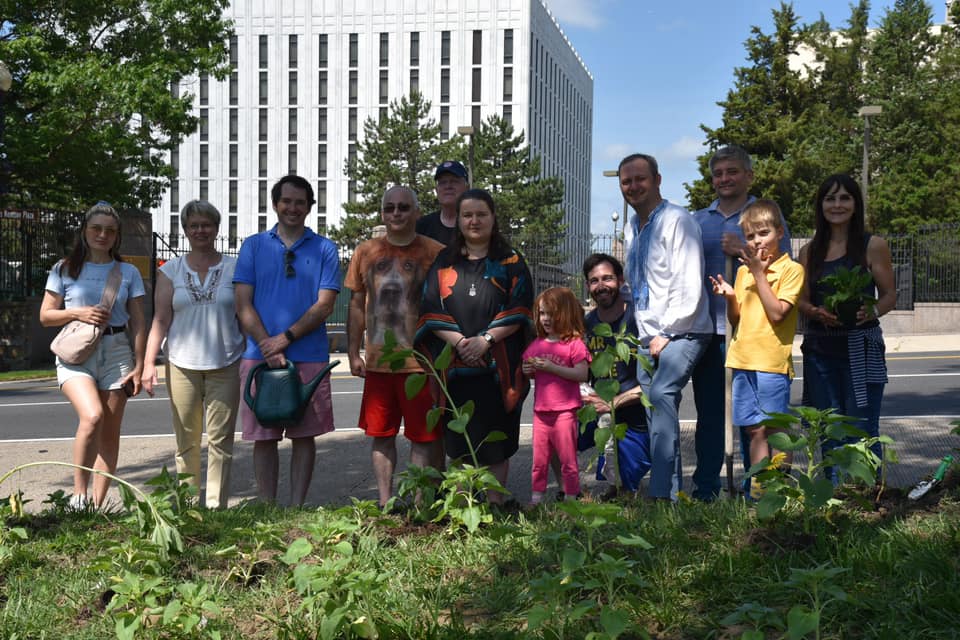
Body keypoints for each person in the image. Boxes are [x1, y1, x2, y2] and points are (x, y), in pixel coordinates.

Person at [416, 188, 533, 504]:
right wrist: (460, 343)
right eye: (467, 214)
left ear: (493, 218)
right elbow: (429, 307)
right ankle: (462, 508)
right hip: (453, 367)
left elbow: (521, 308)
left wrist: (486, 341)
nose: (474, 220)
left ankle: (495, 506)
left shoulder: (511, 260)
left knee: (496, 441)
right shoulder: (443, 261)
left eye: (481, 214)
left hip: (498, 368)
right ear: (459, 220)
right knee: (458, 441)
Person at [692, 144, 793, 500]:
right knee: (712, 418)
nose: (724, 179)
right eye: (718, 173)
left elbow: (784, 264)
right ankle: (706, 489)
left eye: (732, 172)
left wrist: (742, 250)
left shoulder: (764, 215)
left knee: (761, 424)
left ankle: (762, 491)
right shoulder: (698, 220)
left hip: (757, 338)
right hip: (711, 331)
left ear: (748, 175)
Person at [234, 175, 341, 506]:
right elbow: (242, 303)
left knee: (304, 435)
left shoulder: (325, 248)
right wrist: (267, 343)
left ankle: (295, 506)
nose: (293, 208)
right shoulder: (253, 246)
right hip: (258, 356)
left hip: (308, 355)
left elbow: (324, 305)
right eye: (287, 201)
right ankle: (267, 508)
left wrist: (285, 339)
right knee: (263, 437)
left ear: (310, 207)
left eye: (300, 202)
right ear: (275, 204)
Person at [39, 202, 147, 508]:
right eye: (96, 228)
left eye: (110, 231)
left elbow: (138, 321)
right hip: (77, 355)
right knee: (92, 416)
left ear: (117, 236)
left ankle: (96, 509)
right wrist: (78, 313)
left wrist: (139, 365)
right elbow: (46, 316)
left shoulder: (127, 272)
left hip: (117, 354)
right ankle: (79, 495)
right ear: (85, 231)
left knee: (110, 436)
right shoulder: (64, 268)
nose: (102, 235)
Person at [619, 153, 713, 501]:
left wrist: (667, 332)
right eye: (626, 181)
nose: (633, 186)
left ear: (657, 180)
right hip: (649, 334)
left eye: (640, 179)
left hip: (684, 329)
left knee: (660, 396)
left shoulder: (678, 220)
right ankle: (670, 494)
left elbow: (689, 282)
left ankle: (660, 495)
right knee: (654, 407)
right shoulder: (632, 227)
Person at [345, 186, 445, 509]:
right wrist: (352, 352)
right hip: (378, 363)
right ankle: (386, 503)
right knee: (381, 435)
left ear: (416, 212)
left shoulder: (435, 253)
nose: (397, 214)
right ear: (383, 213)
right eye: (390, 208)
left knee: (423, 437)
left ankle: (420, 505)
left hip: (421, 363)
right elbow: (357, 305)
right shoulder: (366, 252)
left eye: (404, 207)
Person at [141, 200, 245, 509]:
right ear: (185, 230)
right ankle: (187, 507)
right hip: (181, 363)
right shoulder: (170, 271)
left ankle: (216, 508)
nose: (200, 230)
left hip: (225, 360)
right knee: (186, 440)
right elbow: (160, 319)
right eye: (194, 225)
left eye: (206, 224)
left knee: (221, 441)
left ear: (216, 228)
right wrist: (149, 363)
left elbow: (245, 312)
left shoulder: (233, 268)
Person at [798, 175, 896, 478]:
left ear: (855, 204)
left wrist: (872, 311)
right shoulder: (809, 251)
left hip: (861, 350)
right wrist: (815, 311)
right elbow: (800, 300)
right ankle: (834, 505)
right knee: (829, 432)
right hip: (820, 351)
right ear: (821, 205)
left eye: (844, 198)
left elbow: (890, 294)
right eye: (830, 198)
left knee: (862, 430)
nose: (837, 205)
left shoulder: (873, 245)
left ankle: (869, 503)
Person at [709, 200, 804, 496]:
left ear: (779, 232)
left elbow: (777, 313)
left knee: (773, 430)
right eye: (750, 237)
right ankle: (758, 494)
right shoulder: (743, 272)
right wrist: (729, 297)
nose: (756, 241)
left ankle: (776, 492)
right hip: (743, 359)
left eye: (763, 233)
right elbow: (736, 320)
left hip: (771, 362)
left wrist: (759, 273)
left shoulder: (791, 270)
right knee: (753, 430)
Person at [580, 253, 651, 498]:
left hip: (635, 410)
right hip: (599, 409)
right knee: (556, 430)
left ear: (620, 280)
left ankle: (624, 484)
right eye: (594, 281)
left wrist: (613, 402)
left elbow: (654, 380)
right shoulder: (587, 324)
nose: (601, 286)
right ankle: (568, 491)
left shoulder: (637, 320)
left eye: (607, 278)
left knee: (629, 478)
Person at [521, 287, 590, 506]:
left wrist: (551, 367)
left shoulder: (574, 344)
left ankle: (571, 496)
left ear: (566, 313)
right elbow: (528, 367)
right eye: (542, 313)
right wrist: (527, 369)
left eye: (551, 313)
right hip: (541, 411)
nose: (546, 319)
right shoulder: (537, 344)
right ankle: (536, 497)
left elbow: (582, 374)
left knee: (568, 458)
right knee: (539, 459)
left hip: (565, 411)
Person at [415, 160, 469, 246]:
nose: (448, 186)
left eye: (454, 181)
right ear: (436, 190)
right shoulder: (422, 227)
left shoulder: (475, 225)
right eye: (443, 182)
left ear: (467, 188)